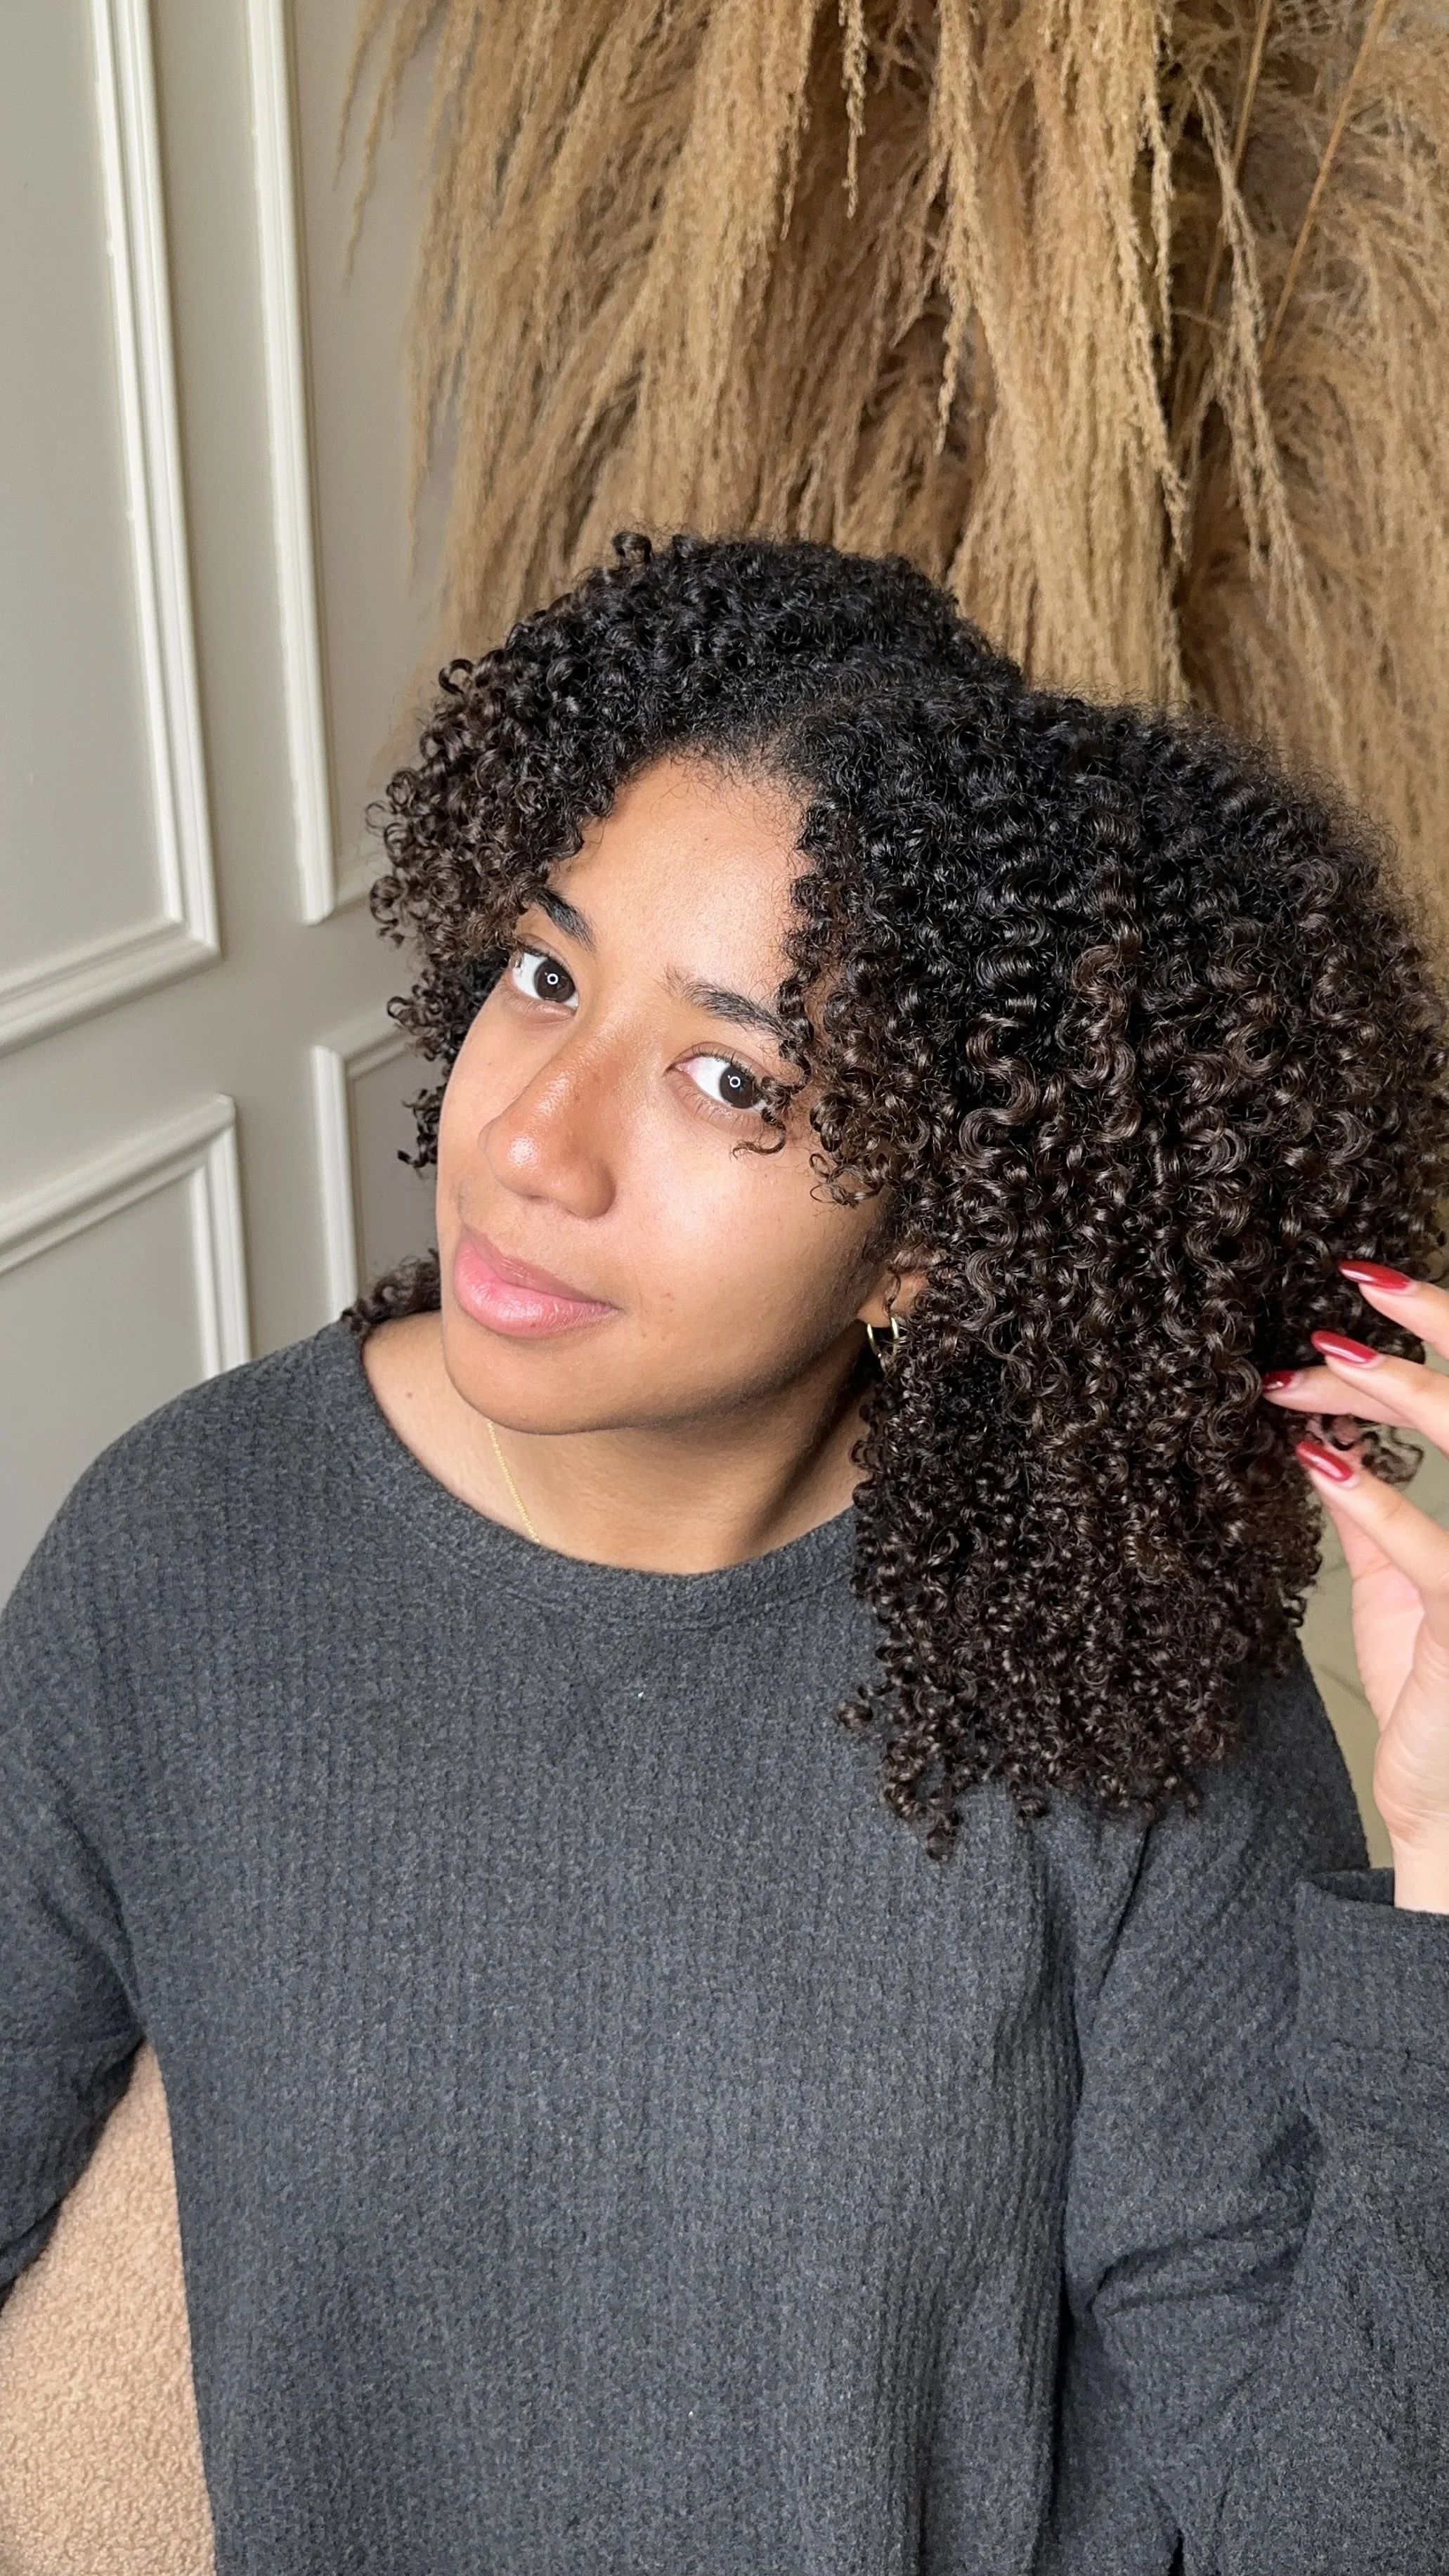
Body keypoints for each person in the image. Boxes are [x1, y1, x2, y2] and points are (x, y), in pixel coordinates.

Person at [2, 529, 1447, 2575]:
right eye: (543, 972)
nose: (528, 1139)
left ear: (941, 1235)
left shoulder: (1115, 1683)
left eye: (727, 1076)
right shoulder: (183, 1557)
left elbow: (1333, 2524)